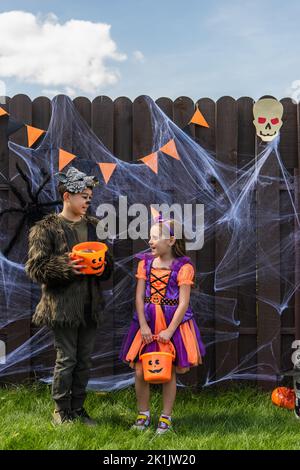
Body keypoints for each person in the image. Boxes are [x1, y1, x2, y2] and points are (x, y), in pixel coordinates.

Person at [25, 166, 113, 425]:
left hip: (90, 305)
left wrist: (102, 266)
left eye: (89, 196)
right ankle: (60, 412)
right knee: (67, 359)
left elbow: (109, 265)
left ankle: (78, 409)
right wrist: (66, 265)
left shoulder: (94, 226)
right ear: (67, 197)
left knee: (84, 360)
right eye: (83, 195)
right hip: (62, 306)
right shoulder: (46, 228)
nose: (88, 200)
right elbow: (36, 267)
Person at [119, 215, 205, 434]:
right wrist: (143, 325)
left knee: (168, 371)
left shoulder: (183, 267)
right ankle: (143, 414)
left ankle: (165, 418)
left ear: (171, 241)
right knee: (140, 370)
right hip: (146, 321)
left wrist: (169, 330)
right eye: (150, 237)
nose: (150, 241)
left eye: (156, 237)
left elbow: (184, 302)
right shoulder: (145, 264)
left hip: (171, 323)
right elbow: (139, 297)